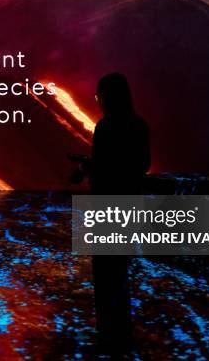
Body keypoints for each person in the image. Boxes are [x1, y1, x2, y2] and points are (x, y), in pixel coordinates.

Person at [77, 73, 150, 358]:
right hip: (129, 205)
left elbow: (105, 167)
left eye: (99, 96)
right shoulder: (139, 125)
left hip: (106, 207)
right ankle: (122, 336)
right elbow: (142, 164)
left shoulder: (106, 126)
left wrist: (89, 167)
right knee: (118, 273)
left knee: (105, 275)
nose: (97, 102)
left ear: (108, 97)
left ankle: (109, 338)